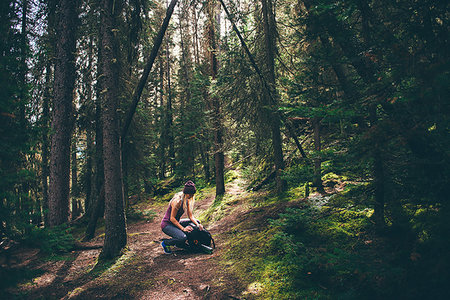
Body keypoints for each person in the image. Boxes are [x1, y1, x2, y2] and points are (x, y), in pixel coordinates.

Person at [160, 180, 204, 254]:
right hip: (167, 224)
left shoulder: (187, 200)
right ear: (185, 193)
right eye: (190, 194)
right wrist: (183, 229)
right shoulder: (177, 201)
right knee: (182, 237)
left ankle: (183, 242)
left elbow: (190, 216)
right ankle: (166, 243)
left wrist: (198, 224)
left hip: (176, 222)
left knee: (197, 221)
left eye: (192, 194)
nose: (191, 196)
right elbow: (172, 218)